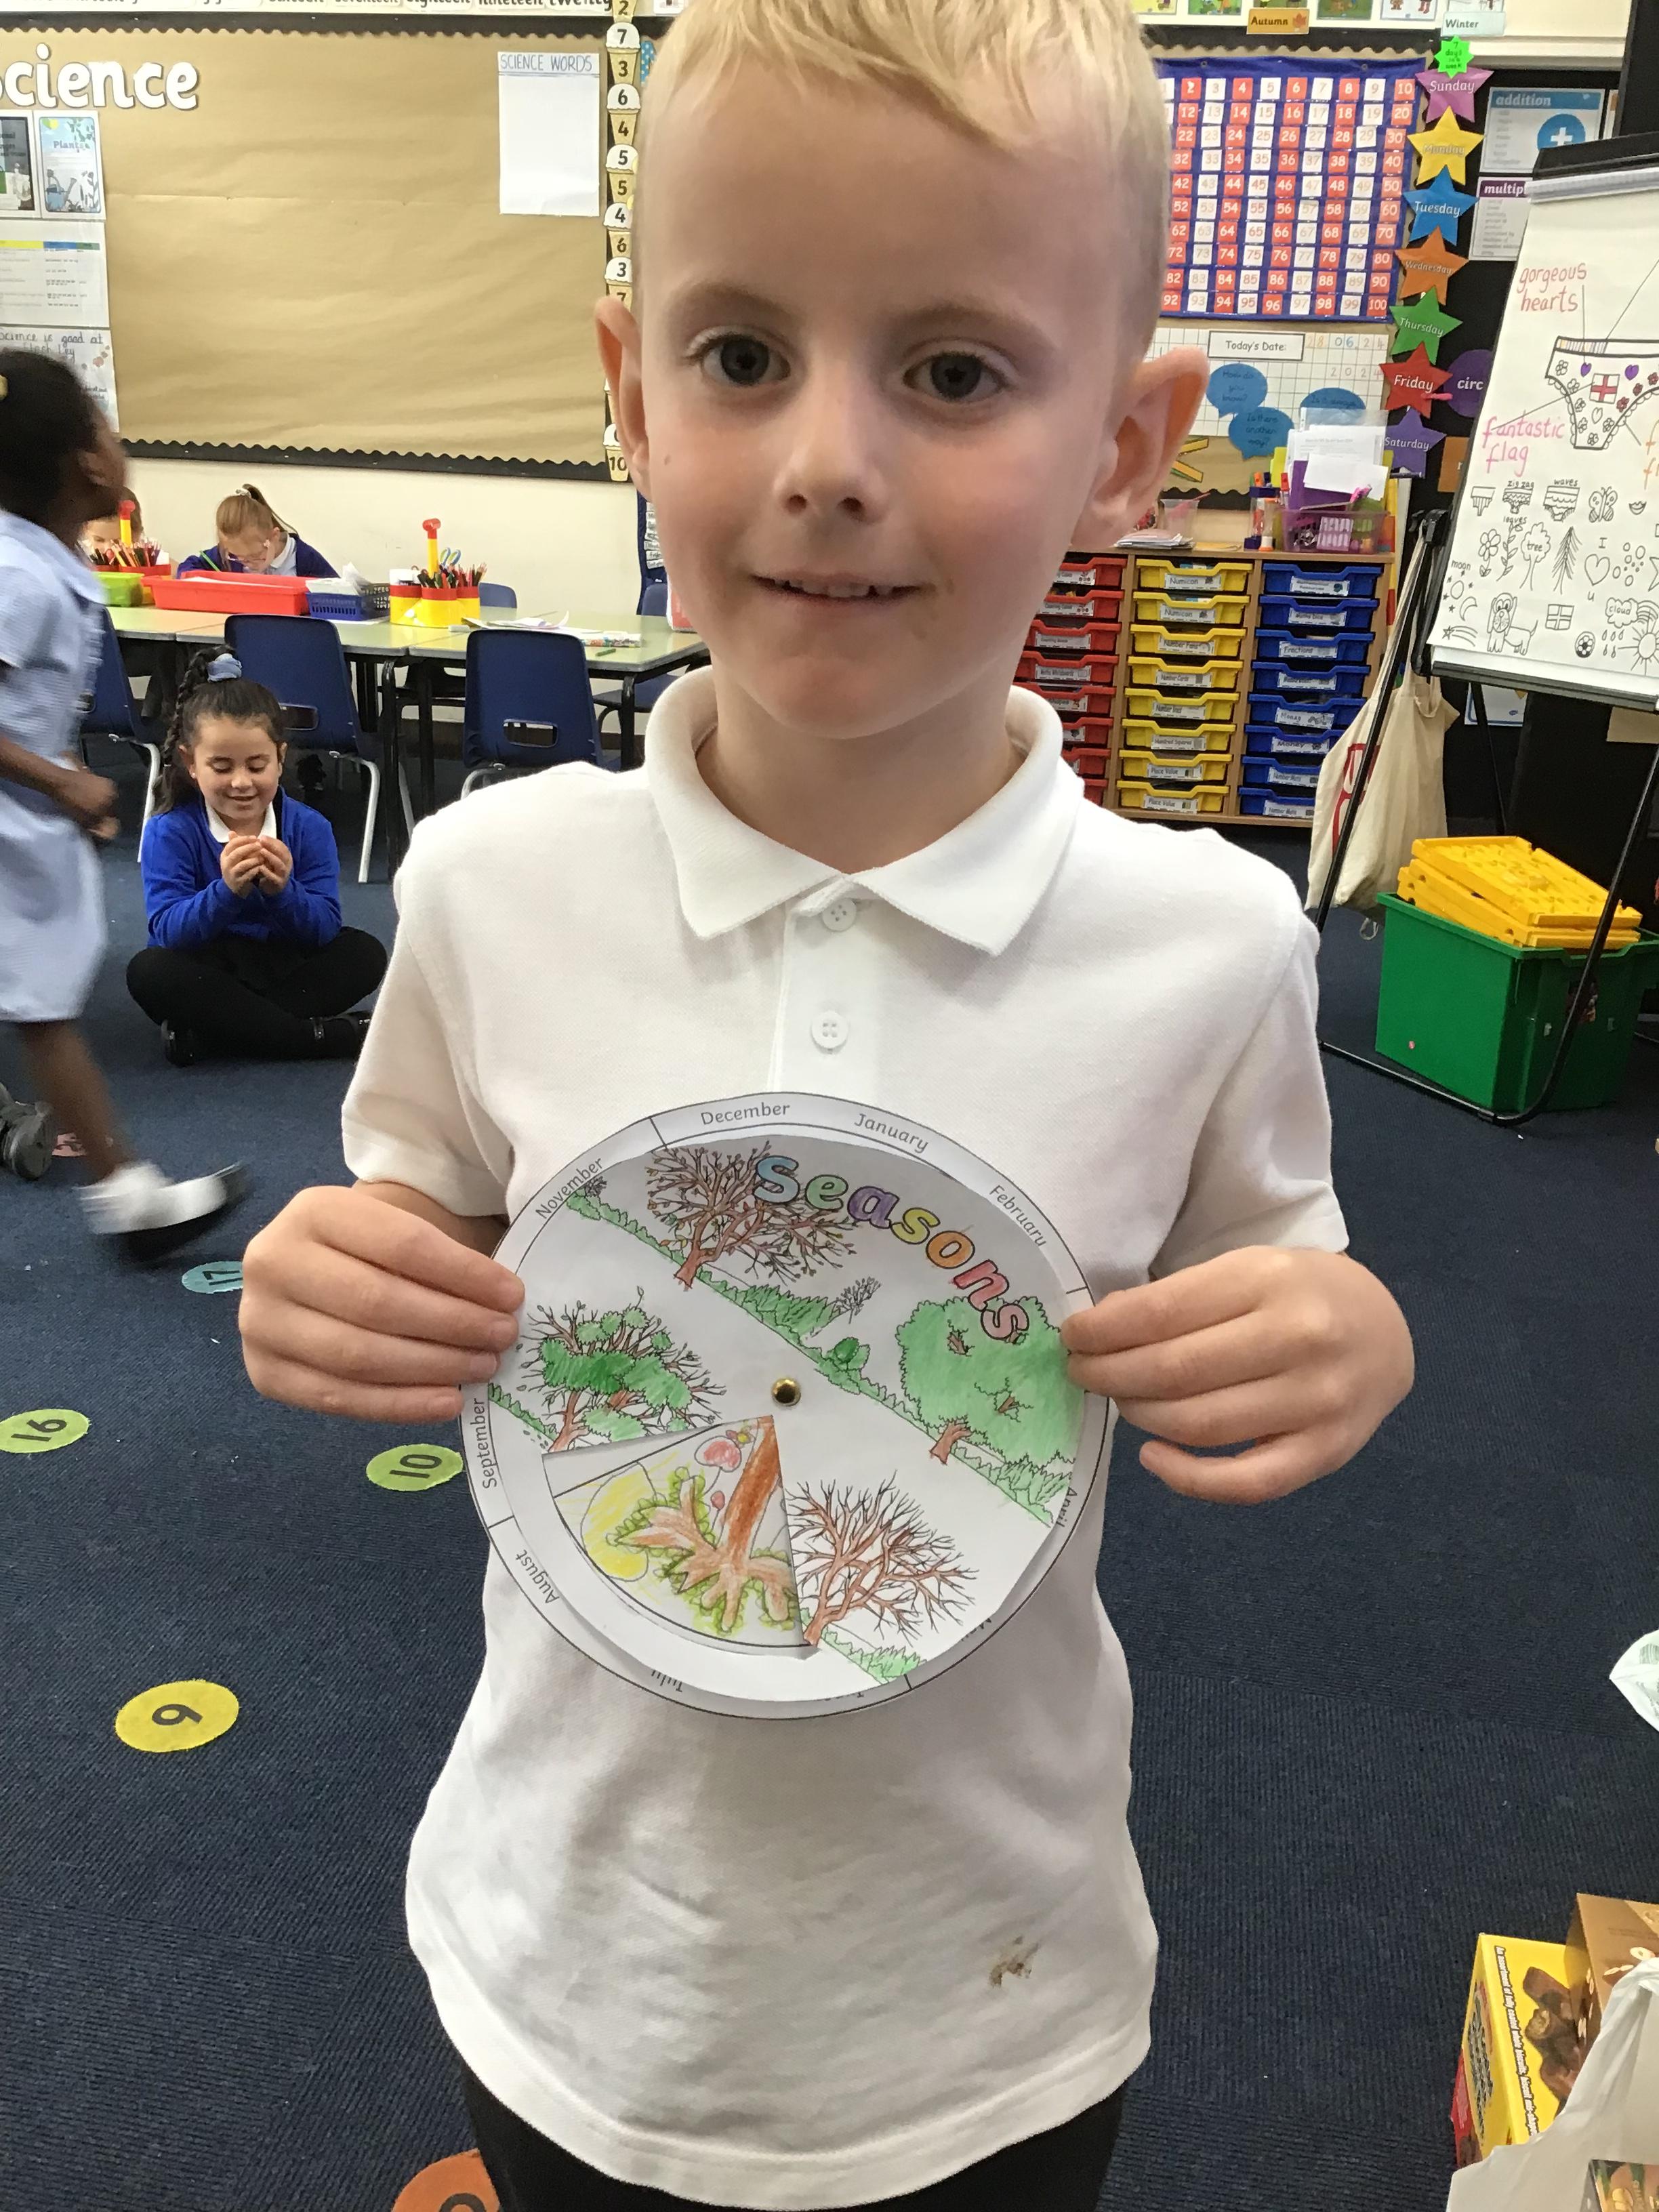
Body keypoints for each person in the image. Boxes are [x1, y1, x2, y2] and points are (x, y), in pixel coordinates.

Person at [238, 2, 1416, 2206]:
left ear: (1125, 445)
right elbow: (428, 1213)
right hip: (571, 1952)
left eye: (953, 371)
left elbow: (1278, 1255)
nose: (826, 460)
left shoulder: (1206, 939)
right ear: (628, 395)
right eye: (741, 354)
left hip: (983, 1993)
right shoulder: (488, 885)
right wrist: (337, 1276)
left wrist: (1341, 1330)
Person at [0, 348, 244, 1254]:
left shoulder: (45, 563)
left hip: (28, 824)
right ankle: (126, 1196)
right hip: (17, 819)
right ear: (89, 464)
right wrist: (62, 779)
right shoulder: (19, 575)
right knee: (42, 1007)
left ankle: (125, 1193)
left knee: (44, 1006)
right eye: (105, 426)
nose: (118, 440)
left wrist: (61, 769)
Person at [127, 659, 386, 1066]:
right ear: (191, 763)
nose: (241, 782)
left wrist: (283, 891)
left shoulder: (309, 827)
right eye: (221, 767)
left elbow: (323, 929)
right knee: (149, 971)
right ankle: (312, 1037)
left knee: (365, 952)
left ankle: (216, 1034)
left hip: (282, 960)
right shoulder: (170, 830)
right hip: (208, 966)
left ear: (280, 758)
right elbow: (169, 933)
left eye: (257, 765)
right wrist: (226, 892)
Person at [176, 483, 336, 579]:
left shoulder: (304, 560)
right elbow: (187, 568)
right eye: (237, 557)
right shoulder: (228, 555)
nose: (248, 564)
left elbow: (340, 595)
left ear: (274, 536)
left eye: (255, 556)